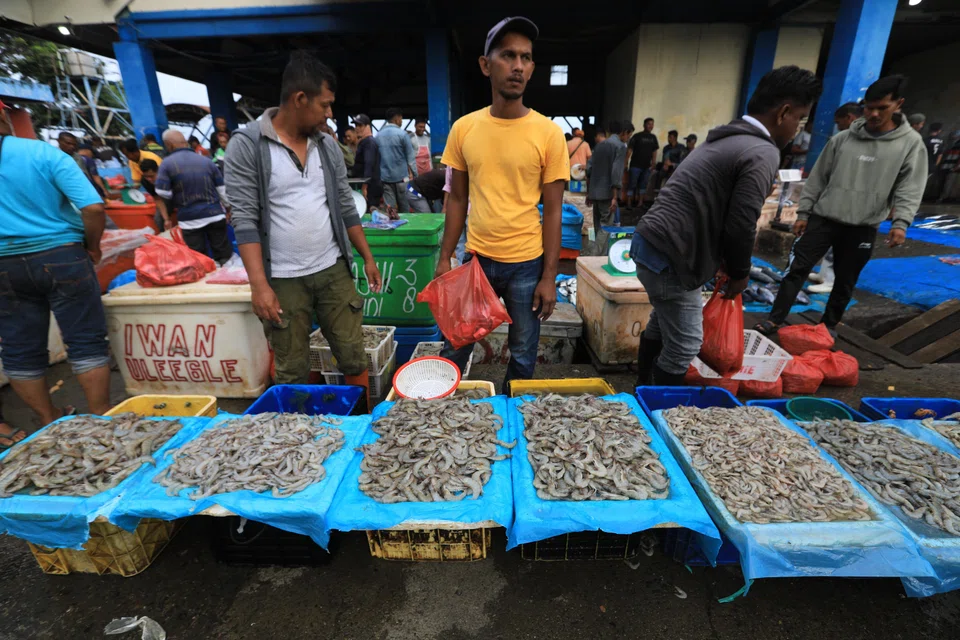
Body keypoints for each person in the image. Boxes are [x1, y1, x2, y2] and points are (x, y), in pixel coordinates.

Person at [631, 66, 822, 385]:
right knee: (685, 344)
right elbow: (741, 223)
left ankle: (642, 390)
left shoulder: (727, 137)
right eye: (799, 119)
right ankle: (657, 413)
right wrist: (740, 273)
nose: (797, 128)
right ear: (783, 113)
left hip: (651, 244)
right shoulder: (761, 151)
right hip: (673, 255)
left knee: (662, 324)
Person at [225, 51, 383, 405]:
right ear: (299, 99)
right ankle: (296, 433)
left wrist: (367, 257)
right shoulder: (248, 145)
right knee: (291, 366)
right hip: (282, 280)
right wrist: (259, 286)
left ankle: (358, 419)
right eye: (325, 105)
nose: (329, 114)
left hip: (332, 270)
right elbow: (245, 221)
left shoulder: (326, 145)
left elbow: (345, 206)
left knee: (353, 354)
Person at [435, 16, 569, 392]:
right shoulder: (464, 129)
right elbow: (458, 197)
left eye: (526, 58)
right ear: (485, 64)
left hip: (527, 263)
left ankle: (513, 413)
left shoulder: (548, 134)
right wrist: (446, 256)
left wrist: (549, 276)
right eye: (508, 55)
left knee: (524, 351)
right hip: (476, 259)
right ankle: (442, 411)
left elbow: (554, 211)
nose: (518, 66)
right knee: (456, 342)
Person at [756, 74, 927, 337]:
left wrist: (901, 223)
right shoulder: (843, 139)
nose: (873, 114)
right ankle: (775, 319)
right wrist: (804, 212)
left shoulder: (910, 145)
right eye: (869, 107)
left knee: (846, 280)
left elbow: (910, 186)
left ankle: (828, 326)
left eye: (882, 108)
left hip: (863, 226)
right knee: (796, 270)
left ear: (898, 104)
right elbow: (819, 177)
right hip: (824, 219)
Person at [0, 100, 112, 425]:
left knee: (20, 347)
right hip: (62, 255)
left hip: (4, 265)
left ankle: (49, 420)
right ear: (5, 118)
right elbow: (92, 208)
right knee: (86, 340)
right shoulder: (42, 153)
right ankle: (101, 418)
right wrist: (93, 247)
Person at [154, 130, 233, 264]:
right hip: (214, 214)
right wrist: (228, 208)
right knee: (224, 255)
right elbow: (222, 189)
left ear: (168, 144)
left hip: (189, 219)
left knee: (199, 259)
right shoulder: (207, 161)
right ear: (185, 143)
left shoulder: (166, 164)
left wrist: (176, 196)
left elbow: (162, 193)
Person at [587, 120, 630, 256]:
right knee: (606, 226)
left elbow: (589, 169)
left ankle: (598, 255)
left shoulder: (599, 146)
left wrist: (589, 192)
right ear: (623, 132)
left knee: (597, 226)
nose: (628, 138)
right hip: (607, 193)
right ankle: (594, 256)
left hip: (595, 192)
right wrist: (615, 196)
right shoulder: (620, 146)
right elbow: (616, 172)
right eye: (629, 135)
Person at [378, 107, 417, 211]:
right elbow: (411, 159)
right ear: (397, 119)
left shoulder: (378, 135)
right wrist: (416, 176)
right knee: (405, 208)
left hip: (385, 179)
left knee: (390, 209)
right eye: (401, 119)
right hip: (402, 179)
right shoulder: (403, 135)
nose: (401, 121)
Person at [351, 114, 383, 211]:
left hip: (370, 187)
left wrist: (365, 186)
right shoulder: (365, 142)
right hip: (369, 185)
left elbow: (369, 164)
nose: (357, 128)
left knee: (370, 212)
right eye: (356, 126)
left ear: (367, 126)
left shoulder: (369, 142)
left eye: (360, 126)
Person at [626, 117, 658, 207]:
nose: (651, 126)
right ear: (644, 125)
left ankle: (640, 203)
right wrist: (626, 162)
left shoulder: (653, 138)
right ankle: (628, 202)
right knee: (632, 184)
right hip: (635, 165)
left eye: (652, 124)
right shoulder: (637, 136)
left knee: (643, 185)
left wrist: (653, 163)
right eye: (649, 124)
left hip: (646, 166)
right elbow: (630, 150)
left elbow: (654, 151)